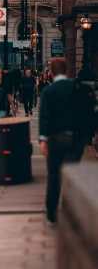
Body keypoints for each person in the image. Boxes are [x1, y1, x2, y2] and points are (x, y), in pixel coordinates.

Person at [39, 56, 95, 223]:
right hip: (75, 137)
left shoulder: (48, 91)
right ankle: (69, 208)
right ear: (67, 71)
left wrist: (43, 139)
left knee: (54, 174)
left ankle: (51, 211)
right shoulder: (77, 88)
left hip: (55, 138)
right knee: (70, 174)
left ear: (51, 73)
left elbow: (45, 117)